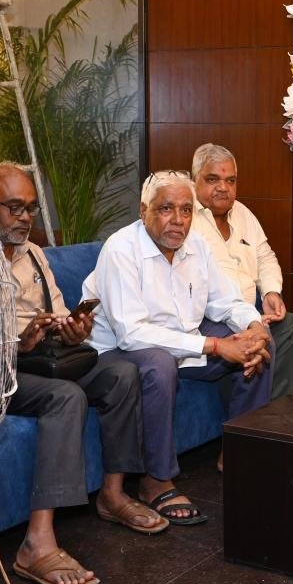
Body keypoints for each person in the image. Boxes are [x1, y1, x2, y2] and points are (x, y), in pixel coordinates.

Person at [0, 163, 166, 584]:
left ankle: (113, 494)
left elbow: (60, 314)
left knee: (121, 373)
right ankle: (37, 543)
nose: (25, 218)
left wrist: (73, 330)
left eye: (31, 208)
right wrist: (17, 345)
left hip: (41, 361)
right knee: (66, 397)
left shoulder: (33, 253)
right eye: (14, 208)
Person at [84, 170, 275, 524]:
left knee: (259, 344)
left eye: (186, 210)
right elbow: (131, 333)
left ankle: (239, 453)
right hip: (119, 354)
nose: (178, 220)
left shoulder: (196, 246)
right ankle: (155, 481)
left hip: (184, 346)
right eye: (166, 209)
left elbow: (226, 301)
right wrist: (214, 345)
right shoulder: (120, 249)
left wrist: (253, 327)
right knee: (159, 363)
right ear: (143, 211)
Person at [189, 143, 293, 401]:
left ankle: (283, 411)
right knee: (258, 342)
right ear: (194, 179)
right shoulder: (186, 220)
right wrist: (249, 322)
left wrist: (271, 292)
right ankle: (253, 419)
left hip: (251, 312)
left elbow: (265, 257)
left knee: (292, 327)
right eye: (213, 179)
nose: (223, 187)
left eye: (230, 181)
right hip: (210, 319)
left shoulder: (243, 214)